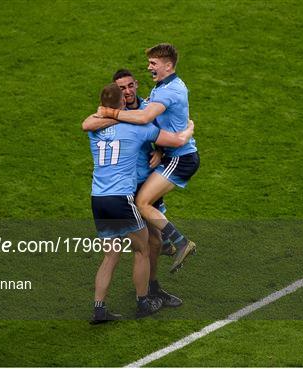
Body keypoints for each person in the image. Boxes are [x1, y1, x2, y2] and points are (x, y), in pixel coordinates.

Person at [88, 83, 194, 324]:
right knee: (143, 249)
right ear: (122, 104)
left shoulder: (94, 130)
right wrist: (189, 129)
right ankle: (143, 302)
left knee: (111, 256)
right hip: (121, 201)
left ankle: (99, 308)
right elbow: (176, 141)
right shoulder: (137, 129)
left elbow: (89, 122)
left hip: (98, 200)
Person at [97, 43, 199, 273]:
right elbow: (160, 124)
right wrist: (162, 148)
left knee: (142, 202)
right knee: (147, 204)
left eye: (153, 63)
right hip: (171, 155)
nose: (149, 66)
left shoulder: (169, 91)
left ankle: (181, 243)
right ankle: (164, 243)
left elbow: (145, 119)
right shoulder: (163, 86)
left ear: (168, 65)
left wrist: (109, 113)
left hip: (180, 158)